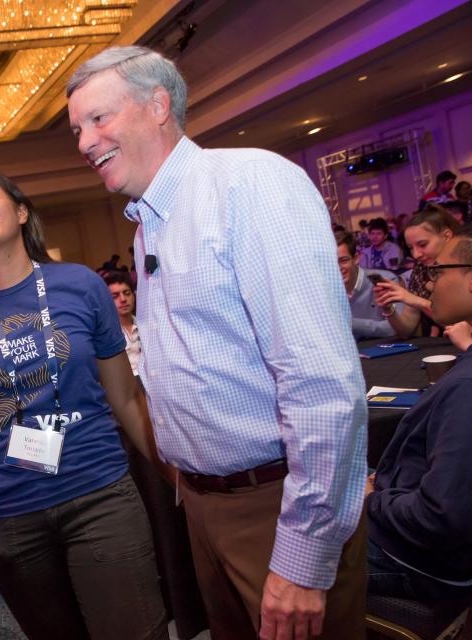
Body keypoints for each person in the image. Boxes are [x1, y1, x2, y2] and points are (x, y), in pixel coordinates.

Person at [67, 46, 367, 639]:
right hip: (204, 507)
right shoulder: (149, 222)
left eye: (98, 119)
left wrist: (303, 557)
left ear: (158, 106)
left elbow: (322, 385)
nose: (83, 142)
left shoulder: (248, 184)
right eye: (78, 129)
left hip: (277, 506)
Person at [0, 170, 167, 640]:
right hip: (6, 515)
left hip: (98, 495)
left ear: (21, 212)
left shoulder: (79, 284)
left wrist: (175, 475)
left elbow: (124, 398)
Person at [366, 223, 472, 605]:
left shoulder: (470, 387)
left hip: (424, 564)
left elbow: (441, 517)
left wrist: (371, 500)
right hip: (432, 539)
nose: (428, 285)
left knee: (281, 552)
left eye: (436, 272)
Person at [374, 208, 462, 338]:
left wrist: (415, 300)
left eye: (423, 244)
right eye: (411, 248)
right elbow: (406, 330)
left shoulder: (469, 266)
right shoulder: (422, 269)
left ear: (447, 236)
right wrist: (388, 308)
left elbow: (469, 328)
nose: (416, 254)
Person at [334, 230, 401, 339]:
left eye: (343, 260)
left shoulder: (385, 281)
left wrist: (348, 324)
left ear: (356, 258)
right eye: (332, 263)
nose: (337, 268)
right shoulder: (326, 290)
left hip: (385, 349)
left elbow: (396, 328)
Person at [103, 270, 142, 375]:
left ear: (134, 296)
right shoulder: (105, 333)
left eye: (127, 293)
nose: (123, 299)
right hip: (124, 385)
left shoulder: (146, 326)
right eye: (115, 296)